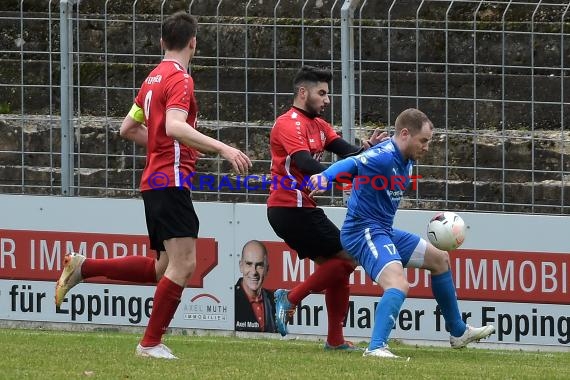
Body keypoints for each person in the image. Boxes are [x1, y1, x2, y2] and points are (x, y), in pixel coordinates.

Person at [54, 11, 251, 360]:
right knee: (185, 264)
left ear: (162, 42)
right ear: (193, 42)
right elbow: (174, 126)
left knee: (163, 267)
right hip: (170, 180)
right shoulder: (180, 79)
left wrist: (167, 145)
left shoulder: (152, 79)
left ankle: (84, 267)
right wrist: (221, 146)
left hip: (156, 180)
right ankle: (150, 343)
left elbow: (127, 128)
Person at [309, 108, 495, 358]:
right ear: (405, 134)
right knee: (397, 283)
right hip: (362, 231)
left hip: (383, 230)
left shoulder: (404, 158)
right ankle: (376, 348)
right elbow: (353, 163)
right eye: (424, 141)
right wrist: (325, 176)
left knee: (440, 260)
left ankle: (458, 331)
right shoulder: (385, 156)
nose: (427, 147)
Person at [267, 65, 387, 351]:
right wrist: (339, 176)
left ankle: (335, 340)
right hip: (289, 207)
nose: (327, 100)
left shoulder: (320, 126)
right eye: (322, 93)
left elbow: (348, 151)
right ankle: (291, 297)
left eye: (327, 94)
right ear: (302, 92)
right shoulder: (288, 123)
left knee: (339, 268)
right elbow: (306, 164)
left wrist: (368, 149)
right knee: (348, 258)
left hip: (302, 207)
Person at [234, 240, 277, 333]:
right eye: (249, 264)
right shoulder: (230, 299)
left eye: (259, 265)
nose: (254, 272)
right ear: (241, 266)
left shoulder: (275, 301)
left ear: (267, 269)